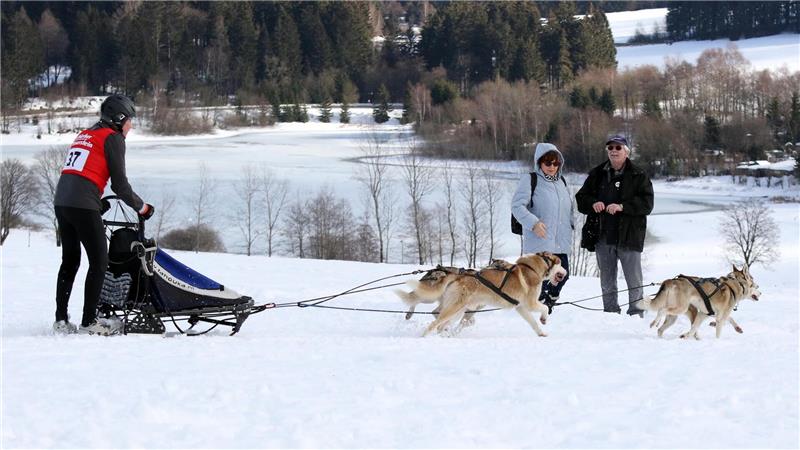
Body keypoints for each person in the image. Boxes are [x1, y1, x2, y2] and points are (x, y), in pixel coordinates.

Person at [52, 94, 154, 335]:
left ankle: (61, 321)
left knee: (70, 261)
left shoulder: (86, 134)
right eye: (129, 120)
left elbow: (80, 172)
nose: (131, 125)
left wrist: (97, 204)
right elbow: (120, 185)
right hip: (83, 204)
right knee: (100, 262)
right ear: (119, 119)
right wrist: (142, 208)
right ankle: (89, 322)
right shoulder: (114, 138)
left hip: (63, 201)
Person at [575, 135, 653, 317]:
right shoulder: (597, 173)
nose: (613, 151)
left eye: (618, 147)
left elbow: (647, 204)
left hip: (629, 236)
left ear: (626, 151)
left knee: (634, 280)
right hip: (603, 235)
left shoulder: (639, 174)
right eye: (610, 148)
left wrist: (623, 207)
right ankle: (610, 313)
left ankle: (637, 313)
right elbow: (581, 199)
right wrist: (593, 203)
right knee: (607, 280)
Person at [511, 143, 574, 312]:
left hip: (561, 239)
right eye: (548, 163)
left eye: (556, 163)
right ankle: (537, 304)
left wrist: (571, 225)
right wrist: (533, 223)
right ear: (539, 163)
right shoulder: (530, 180)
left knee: (563, 273)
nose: (552, 167)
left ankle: (549, 299)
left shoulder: (561, 181)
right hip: (540, 239)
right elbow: (517, 206)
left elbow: (567, 207)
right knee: (540, 277)